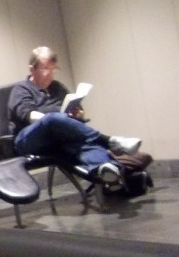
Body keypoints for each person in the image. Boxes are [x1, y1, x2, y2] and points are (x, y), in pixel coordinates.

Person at [7, 46, 142, 187]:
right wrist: (58, 120)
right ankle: (109, 141)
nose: (50, 74)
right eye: (45, 68)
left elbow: (78, 111)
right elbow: (29, 115)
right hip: (28, 139)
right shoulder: (21, 89)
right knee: (52, 119)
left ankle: (107, 170)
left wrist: (77, 114)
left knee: (85, 144)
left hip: (58, 138)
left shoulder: (57, 87)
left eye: (53, 69)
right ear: (32, 69)